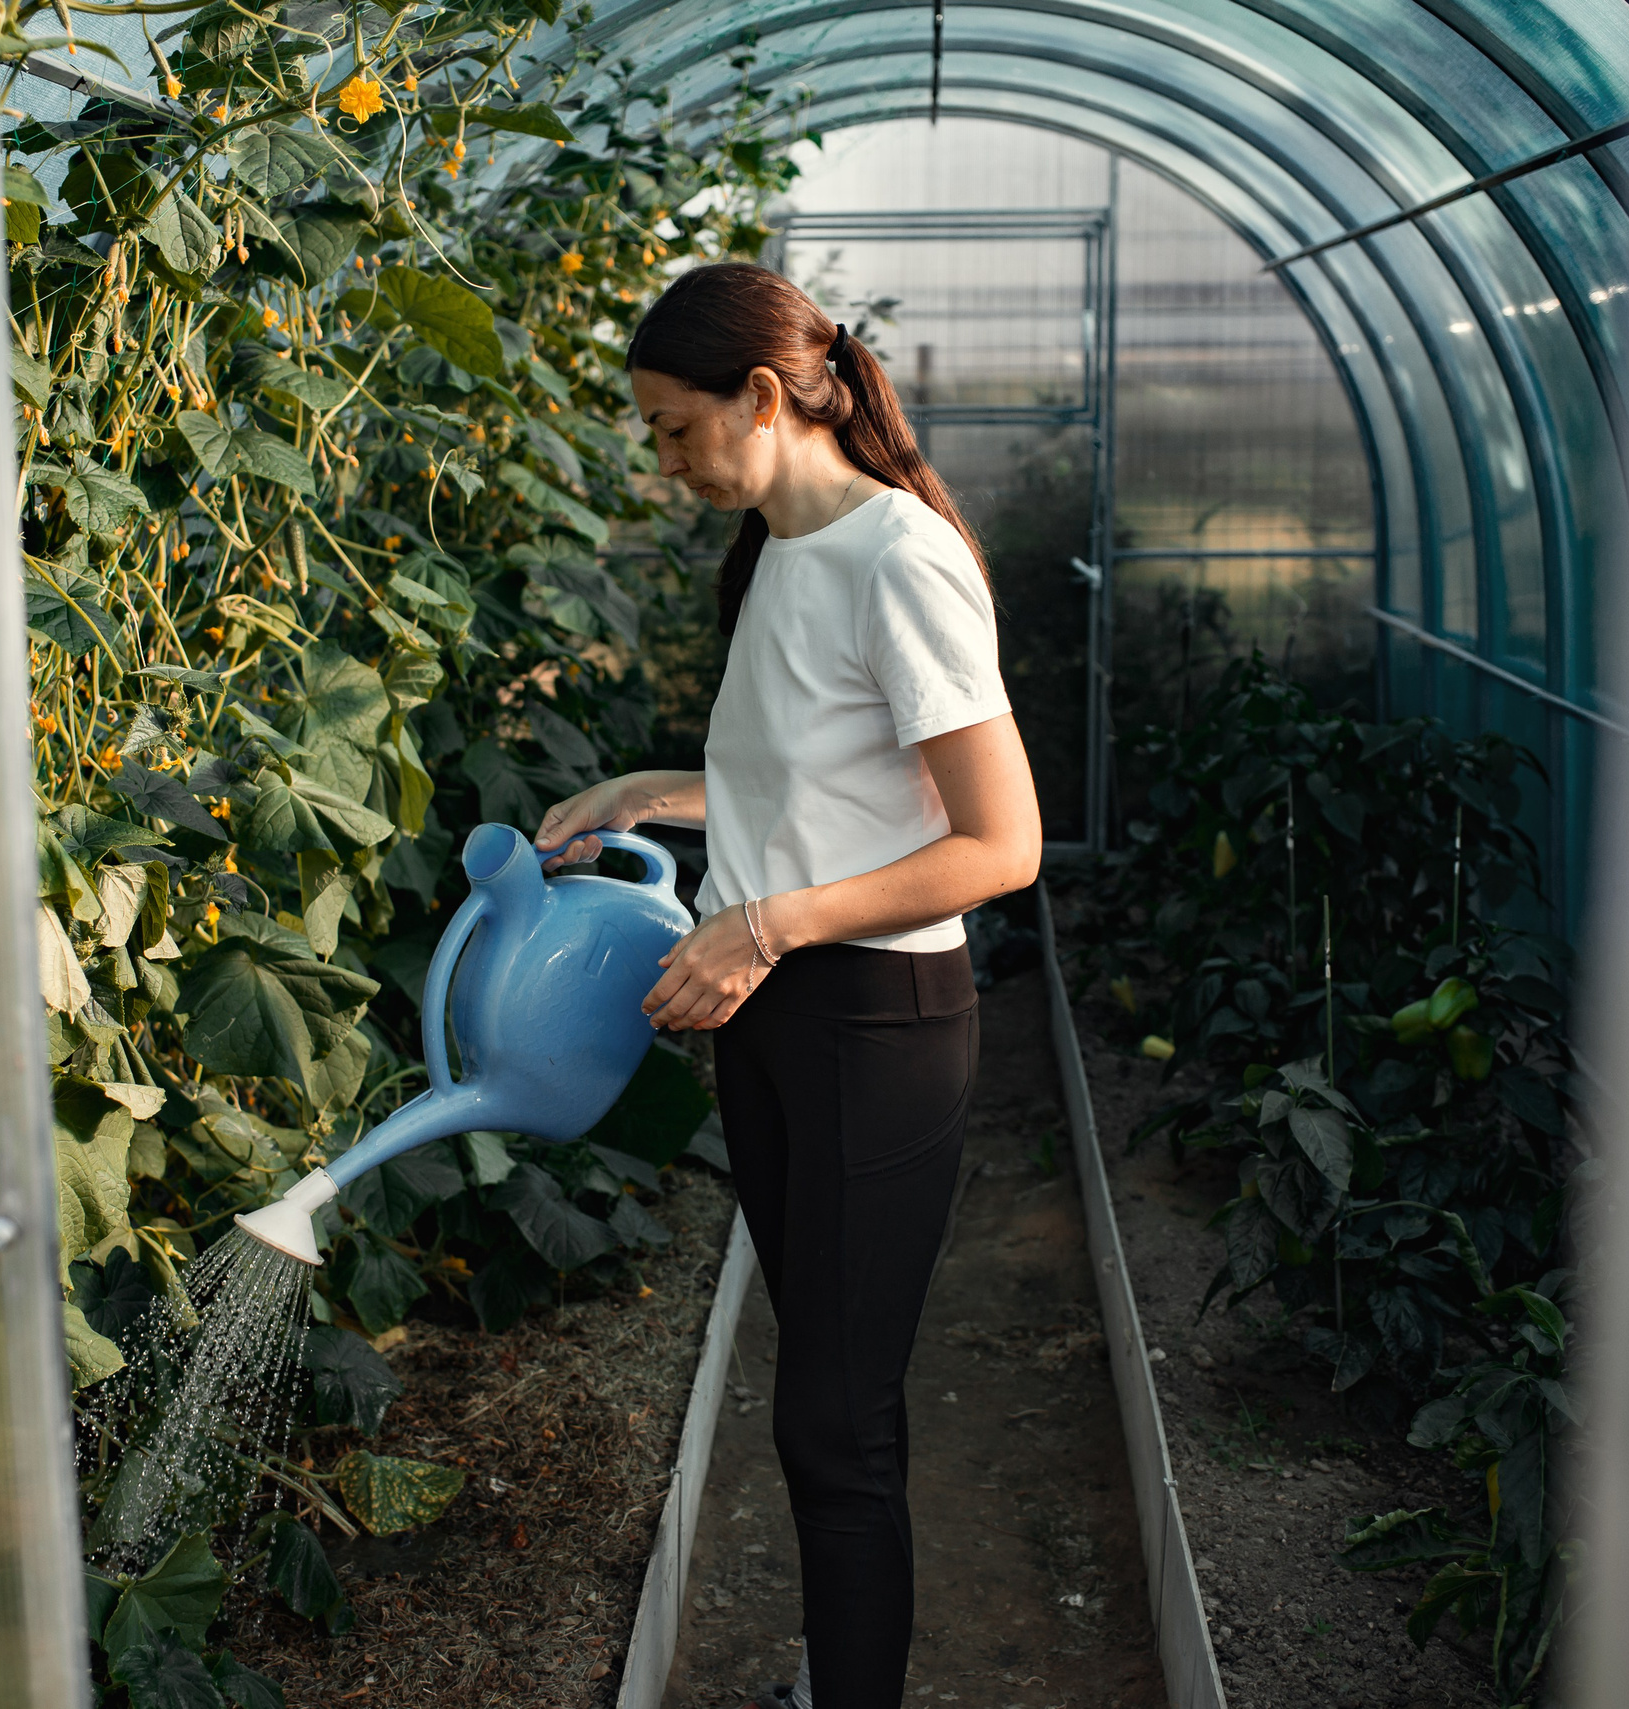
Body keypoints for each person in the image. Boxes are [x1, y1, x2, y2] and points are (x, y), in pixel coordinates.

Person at [533, 262, 1041, 1709]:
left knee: (837, 1418)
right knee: (814, 1394)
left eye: (675, 427)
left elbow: (1001, 844)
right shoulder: (778, 548)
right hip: (784, 1024)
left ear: (763, 397)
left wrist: (760, 929)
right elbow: (830, 780)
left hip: (872, 1028)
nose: (666, 459)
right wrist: (665, 790)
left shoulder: (899, 558)